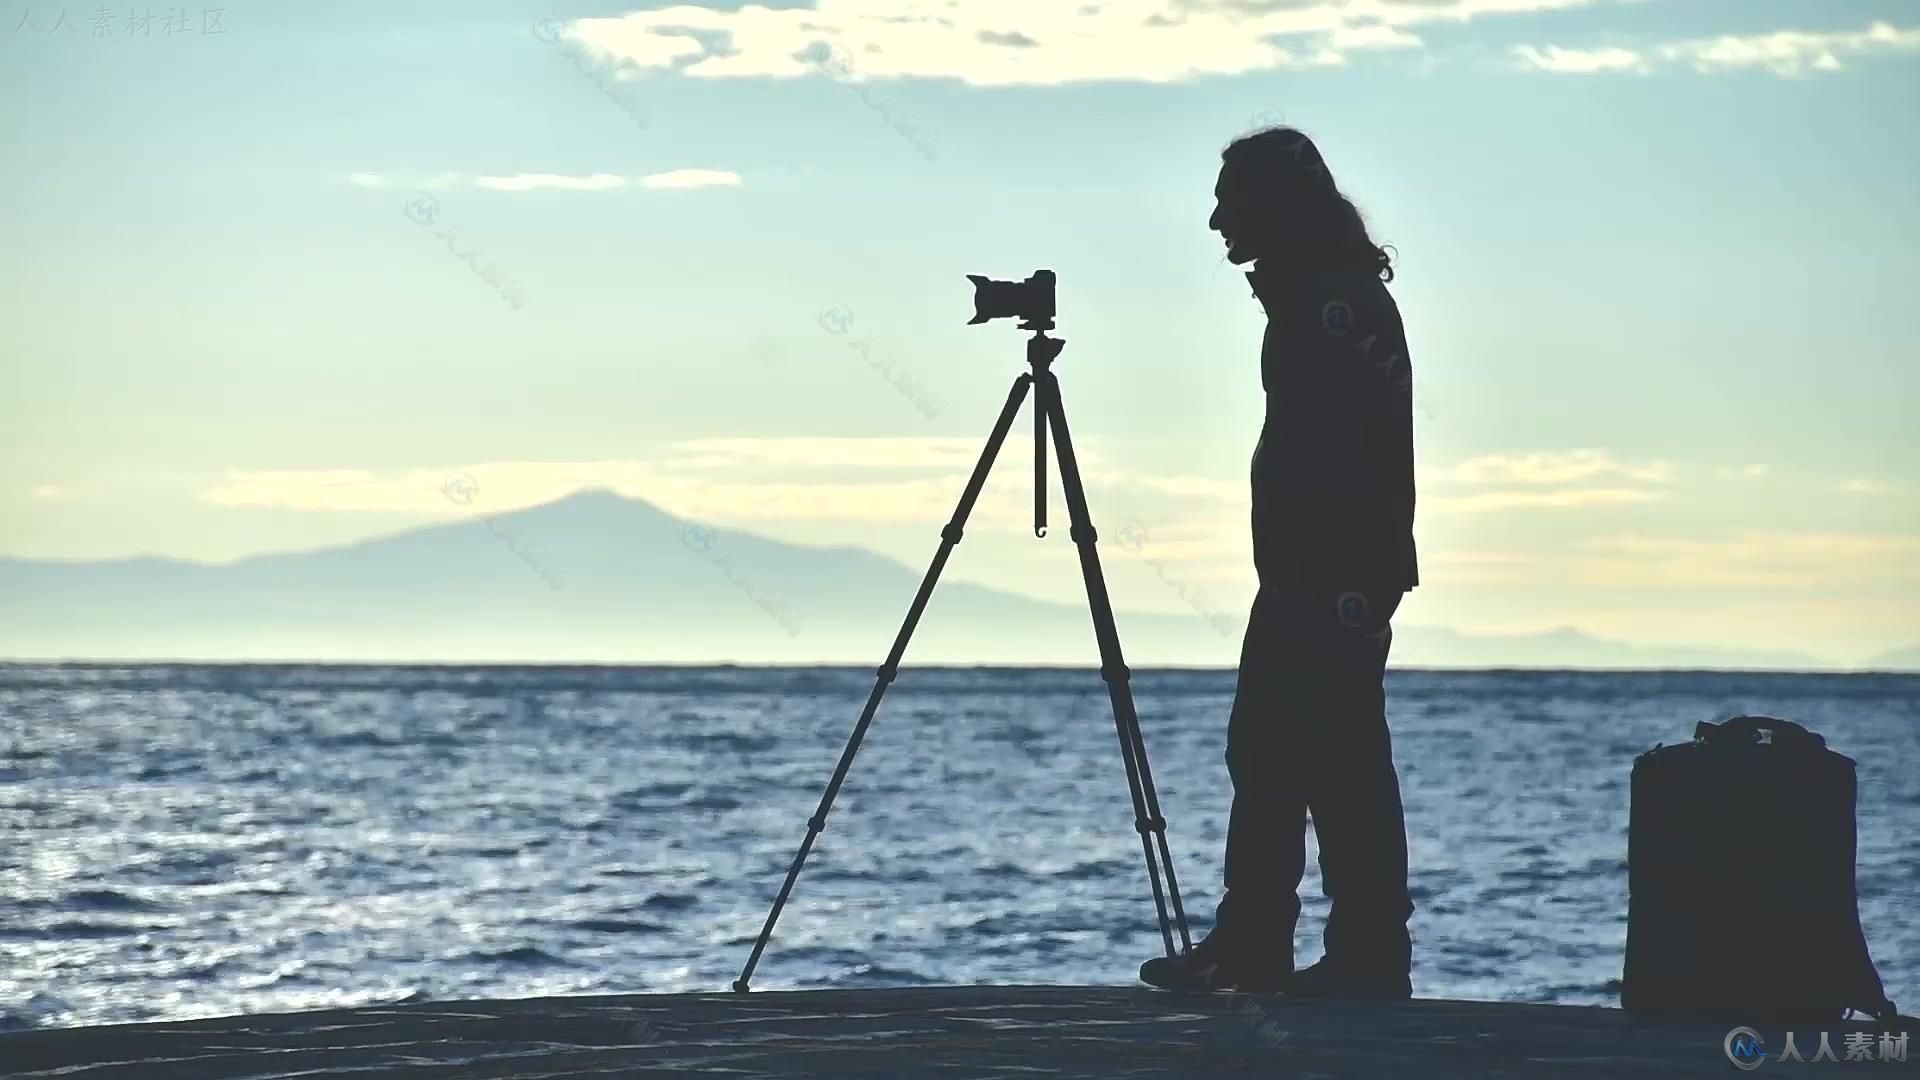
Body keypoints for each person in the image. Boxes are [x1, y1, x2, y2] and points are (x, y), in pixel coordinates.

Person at [1140, 125, 1419, 998]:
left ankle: (1348, 953)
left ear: (1276, 207)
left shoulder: (1330, 307)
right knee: (1280, 755)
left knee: (1327, 763)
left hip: (1329, 580)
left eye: (1233, 198)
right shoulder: (1320, 299)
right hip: (1321, 575)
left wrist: (1335, 580)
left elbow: (1342, 456)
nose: (1218, 217)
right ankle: (1272, 943)